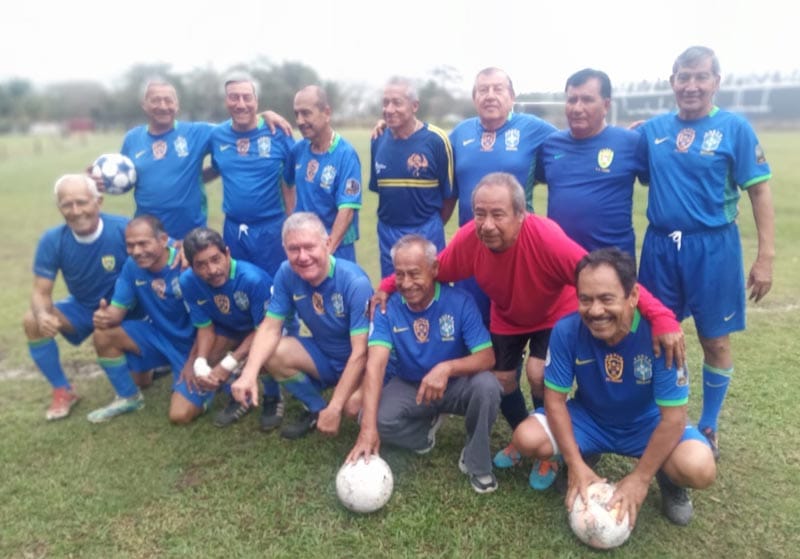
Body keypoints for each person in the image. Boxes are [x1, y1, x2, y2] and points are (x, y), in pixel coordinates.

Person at [375, 172, 685, 469]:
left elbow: (600, 278)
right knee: (502, 379)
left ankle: (549, 449)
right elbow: (432, 269)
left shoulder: (546, 237)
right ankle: (523, 433)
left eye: (498, 214)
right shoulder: (471, 237)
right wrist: (388, 286)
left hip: (552, 311)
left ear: (521, 214)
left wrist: (662, 316)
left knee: (537, 373)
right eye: (479, 214)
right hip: (508, 315)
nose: (487, 224)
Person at [512, 248, 716, 527]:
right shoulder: (567, 330)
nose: (595, 310)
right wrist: (574, 463)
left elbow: (674, 418)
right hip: (589, 419)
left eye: (606, 299)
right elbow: (555, 401)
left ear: (633, 296)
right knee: (527, 438)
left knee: (699, 467)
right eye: (585, 299)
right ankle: (585, 456)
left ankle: (667, 479)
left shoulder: (662, 338)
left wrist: (640, 479)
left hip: (646, 424)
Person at [637, 46, 775, 460]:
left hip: (713, 249)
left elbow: (759, 190)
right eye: (684, 77)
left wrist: (765, 256)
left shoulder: (735, 128)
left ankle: (710, 423)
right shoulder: (653, 130)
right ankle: (658, 417)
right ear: (672, 81)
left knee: (714, 340)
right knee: (656, 336)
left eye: (701, 77)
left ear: (717, 81)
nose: (691, 86)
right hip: (661, 247)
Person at [347, 235, 502, 493]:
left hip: (456, 384)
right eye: (399, 274)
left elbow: (487, 357)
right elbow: (375, 365)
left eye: (414, 274)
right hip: (410, 385)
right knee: (371, 417)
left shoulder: (460, 302)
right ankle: (423, 433)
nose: (406, 283)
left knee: (488, 386)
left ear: (434, 270)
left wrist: (447, 368)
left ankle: (476, 461)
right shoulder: (387, 308)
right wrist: (367, 430)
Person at [231, 212, 373, 439]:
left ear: (327, 244)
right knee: (271, 353)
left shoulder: (354, 282)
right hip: (324, 356)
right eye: (293, 249)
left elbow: (361, 353)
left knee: (351, 408)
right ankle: (317, 410)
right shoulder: (286, 273)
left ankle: (343, 403)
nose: (302, 256)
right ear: (284, 249)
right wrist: (249, 374)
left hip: (360, 364)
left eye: (309, 247)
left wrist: (337, 406)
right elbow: (269, 327)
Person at [120, 78, 292, 240]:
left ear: (177, 105)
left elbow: (240, 120)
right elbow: (122, 179)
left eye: (168, 100)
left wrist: (264, 115)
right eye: (156, 100)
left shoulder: (200, 132)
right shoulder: (132, 139)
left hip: (190, 232)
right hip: (148, 233)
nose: (163, 106)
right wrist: (97, 180)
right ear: (144, 104)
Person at [23, 174, 131, 420]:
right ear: (59, 208)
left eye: (82, 202)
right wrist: (42, 315)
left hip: (125, 310)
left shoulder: (123, 229)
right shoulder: (52, 240)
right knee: (31, 320)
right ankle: (63, 390)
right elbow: (40, 292)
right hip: (82, 309)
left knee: (142, 380)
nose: (75, 211)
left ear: (98, 201)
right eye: (66, 204)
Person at [89, 216, 206, 424]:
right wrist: (104, 317)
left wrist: (194, 362)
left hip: (196, 346)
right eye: (130, 245)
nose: (136, 251)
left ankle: (214, 380)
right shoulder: (131, 267)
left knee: (180, 415)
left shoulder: (187, 264)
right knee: (103, 334)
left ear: (163, 240)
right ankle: (128, 397)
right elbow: (116, 312)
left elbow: (209, 326)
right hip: (160, 337)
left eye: (143, 243)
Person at [178, 227, 283, 430]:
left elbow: (265, 330)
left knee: (264, 354)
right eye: (201, 265)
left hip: (263, 329)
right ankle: (235, 392)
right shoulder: (188, 282)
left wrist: (228, 363)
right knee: (200, 374)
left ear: (227, 253)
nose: (212, 270)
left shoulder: (253, 279)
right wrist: (198, 362)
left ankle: (273, 394)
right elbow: (205, 327)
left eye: (216, 259)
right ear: (191, 267)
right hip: (228, 329)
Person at [536, 68, 646, 258]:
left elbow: (658, 179)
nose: (577, 108)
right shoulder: (550, 145)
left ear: (606, 105)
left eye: (587, 100)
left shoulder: (631, 142)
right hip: (560, 260)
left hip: (612, 264)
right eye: (572, 100)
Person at [210, 72, 296, 278]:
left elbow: (293, 181)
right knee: (238, 288)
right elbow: (214, 168)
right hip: (233, 230)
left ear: (256, 101)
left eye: (247, 97)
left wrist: (293, 224)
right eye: (234, 97)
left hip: (271, 230)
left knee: (276, 288)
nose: (241, 104)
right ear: (226, 101)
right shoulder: (216, 136)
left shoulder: (278, 133)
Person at [369, 77, 455, 277]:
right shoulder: (378, 139)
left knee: (430, 289)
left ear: (415, 105)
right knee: (393, 292)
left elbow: (450, 195)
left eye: (397, 102)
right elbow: (381, 192)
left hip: (427, 231)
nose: (389, 109)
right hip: (388, 233)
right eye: (385, 102)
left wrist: (429, 227)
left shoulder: (437, 140)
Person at [449, 67, 556, 226]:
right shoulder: (460, 132)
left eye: (498, 89)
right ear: (474, 97)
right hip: (470, 240)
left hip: (517, 238)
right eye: (483, 90)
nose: (490, 96)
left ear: (512, 96)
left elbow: (567, 147)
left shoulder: (533, 128)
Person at [292, 85, 362, 261]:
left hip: (335, 249)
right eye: (296, 114)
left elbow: (347, 210)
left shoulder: (346, 155)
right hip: (303, 247)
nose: (300, 121)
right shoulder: (298, 150)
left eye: (306, 113)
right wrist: (291, 218)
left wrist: (325, 252)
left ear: (326, 113)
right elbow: (286, 184)